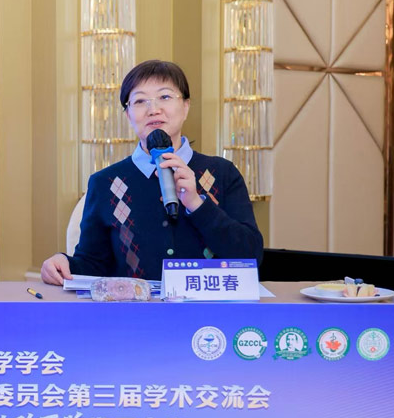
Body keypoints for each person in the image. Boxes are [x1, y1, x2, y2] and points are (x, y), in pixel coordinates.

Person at [41, 60, 263, 284]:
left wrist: (197, 204)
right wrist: (63, 264)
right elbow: (92, 265)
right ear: (128, 115)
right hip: (134, 306)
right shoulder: (104, 183)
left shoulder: (223, 173)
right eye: (140, 101)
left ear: (186, 106)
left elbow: (250, 257)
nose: (154, 110)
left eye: (165, 97)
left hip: (208, 305)